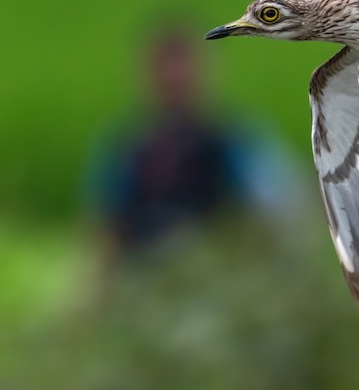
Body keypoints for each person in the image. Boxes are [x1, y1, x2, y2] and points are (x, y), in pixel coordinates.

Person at [87, 26, 296, 262]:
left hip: (216, 267)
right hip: (147, 270)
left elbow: (279, 207)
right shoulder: (129, 147)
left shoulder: (232, 140)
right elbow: (105, 225)